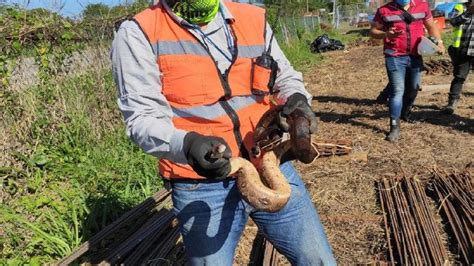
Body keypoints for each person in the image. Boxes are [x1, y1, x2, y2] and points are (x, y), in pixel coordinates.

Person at [110, 0, 336, 264]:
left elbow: (285, 76)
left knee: (318, 259)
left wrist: (296, 97)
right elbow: (142, 118)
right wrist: (187, 144)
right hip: (200, 184)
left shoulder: (252, 18)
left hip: (268, 166)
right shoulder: (139, 32)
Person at [369, 0, 445, 141]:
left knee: (413, 88)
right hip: (394, 56)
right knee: (397, 90)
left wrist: (439, 42)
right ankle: (394, 126)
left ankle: (404, 113)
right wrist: (386, 34)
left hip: (416, 55)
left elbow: (430, 26)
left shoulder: (422, 6)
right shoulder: (384, 10)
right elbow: (373, 31)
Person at [443, 0, 473, 115]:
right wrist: (468, 12)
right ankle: (452, 103)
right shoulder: (460, 7)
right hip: (463, 49)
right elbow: (452, 22)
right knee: (459, 77)